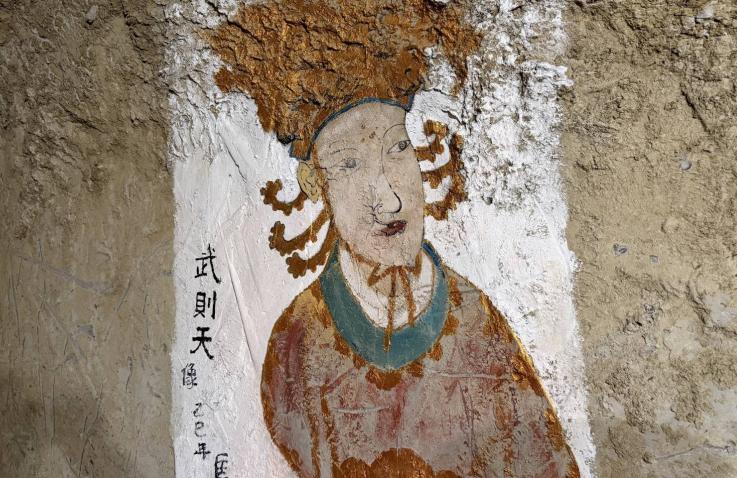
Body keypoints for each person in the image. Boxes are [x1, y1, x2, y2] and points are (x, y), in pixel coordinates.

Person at [208, 1, 580, 476]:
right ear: (315, 183)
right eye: (349, 164)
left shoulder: (476, 324)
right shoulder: (296, 346)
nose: (390, 199)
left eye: (398, 148)